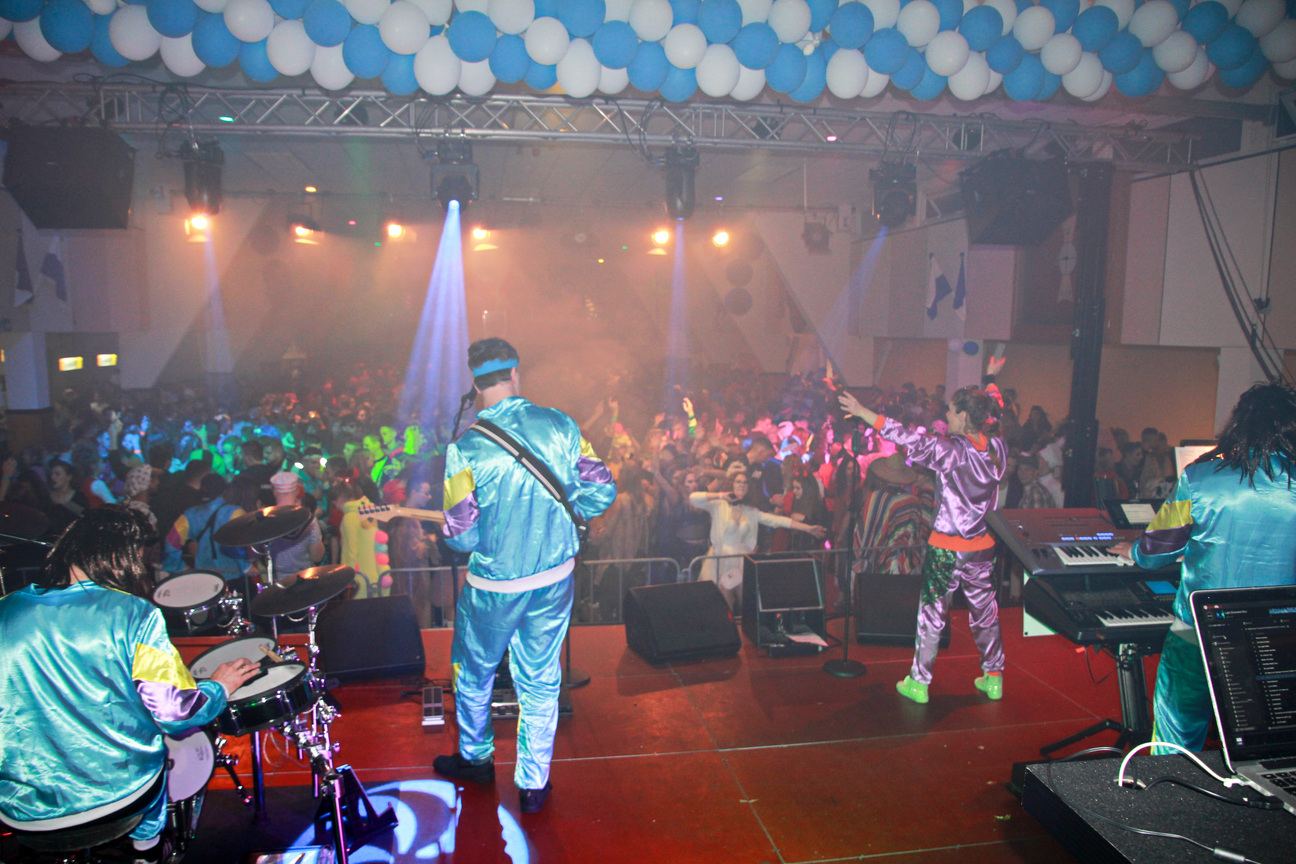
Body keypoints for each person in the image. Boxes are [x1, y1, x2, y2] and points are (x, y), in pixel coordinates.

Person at [0, 507, 258, 861]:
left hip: (21, 811)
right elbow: (176, 714)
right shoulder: (134, 613)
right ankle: (147, 850)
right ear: (118, 556)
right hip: (119, 800)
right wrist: (219, 687)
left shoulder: (6, 609)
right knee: (154, 757)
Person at [434, 338, 617, 814]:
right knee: (540, 678)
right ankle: (534, 785)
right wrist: (560, 517)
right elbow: (601, 490)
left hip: (494, 589)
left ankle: (476, 758)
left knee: (473, 673)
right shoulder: (562, 425)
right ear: (515, 374)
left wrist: (458, 529)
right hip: (554, 579)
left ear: (474, 384)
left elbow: (462, 538)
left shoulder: (465, 448)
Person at [1110, 382, 1296, 754]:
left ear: (1240, 424)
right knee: (1269, 742)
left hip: (1198, 633)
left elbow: (1157, 551)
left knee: (1178, 736)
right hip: (1280, 637)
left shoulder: (1199, 479)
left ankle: (1175, 790)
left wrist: (1135, 550)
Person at [839, 355, 1008, 705]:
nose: (946, 415)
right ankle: (994, 677)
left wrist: (863, 412)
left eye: (951, 411)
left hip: (948, 548)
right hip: (982, 547)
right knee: (985, 610)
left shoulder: (951, 452)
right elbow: (996, 408)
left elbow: (906, 437)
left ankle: (919, 682)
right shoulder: (996, 446)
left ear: (964, 417)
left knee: (932, 614)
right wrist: (991, 377)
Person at [689, 470, 827, 610]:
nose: (742, 485)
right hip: (721, 560)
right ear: (732, 484)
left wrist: (807, 528)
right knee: (725, 603)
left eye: (745, 482)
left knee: (745, 604)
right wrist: (721, 495)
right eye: (738, 482)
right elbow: (693, 498)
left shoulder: (751, 511)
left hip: (741, 561)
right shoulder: (719, 505)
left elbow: (777, 520)